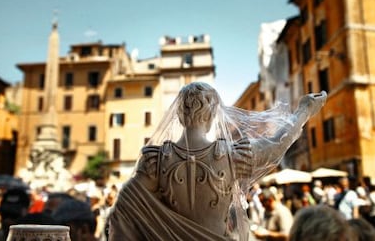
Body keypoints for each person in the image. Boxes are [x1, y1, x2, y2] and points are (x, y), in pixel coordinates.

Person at [108, 82, 326, 240]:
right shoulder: (233, 156)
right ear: (212, 114)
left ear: (180, 115)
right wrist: (304, 111)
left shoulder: (155, 161)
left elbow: (124, 210)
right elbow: (278, 143)